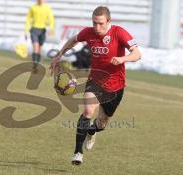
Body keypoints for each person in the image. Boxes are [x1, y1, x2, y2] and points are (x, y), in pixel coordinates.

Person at [50, 6, 141, 165]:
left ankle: (92, 131)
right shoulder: (88, 32)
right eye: (94, 23)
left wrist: (122, 59)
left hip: (116, 85)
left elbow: (137, 54)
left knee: (102, 122)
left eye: (100, 23)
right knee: (88, 110)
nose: (97, 27)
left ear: (108, 21)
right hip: (95, 81)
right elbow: (72, 41)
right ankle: (78, 152)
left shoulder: (119, 33)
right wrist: (59, 55)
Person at [24, 0, 55, 73]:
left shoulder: (47, 8)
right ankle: (35, 65)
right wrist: (25, 30)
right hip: (34, 29)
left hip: (42, 31)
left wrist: (51, 29)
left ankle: (37, 64)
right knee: (36, 47)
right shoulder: (33, 7)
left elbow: (51, 19)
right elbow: (28, 19)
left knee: (39, 49)